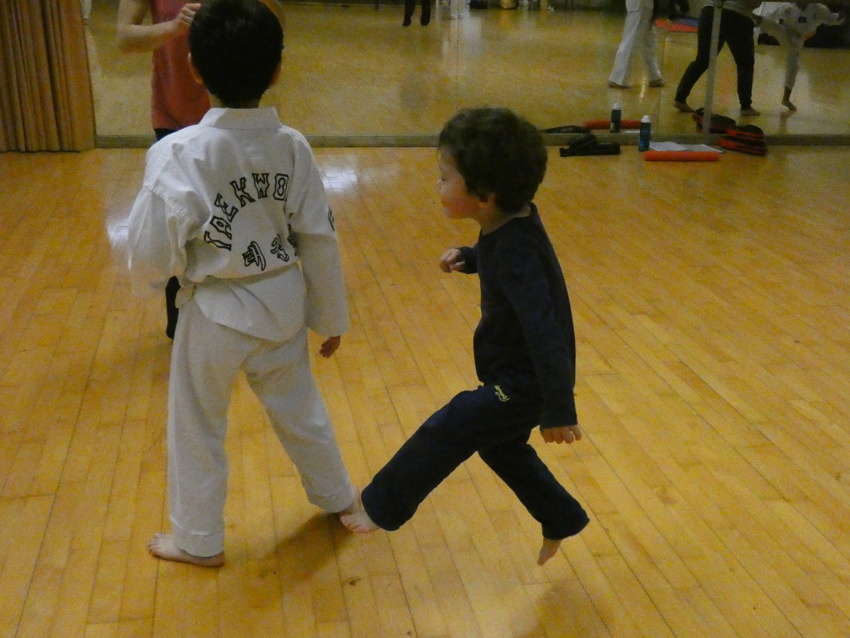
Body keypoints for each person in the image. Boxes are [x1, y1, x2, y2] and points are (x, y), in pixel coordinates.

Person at [125, 0, 358, 567]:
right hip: (282, 301)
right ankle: (338, 497)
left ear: (194, 69)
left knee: (196, 424)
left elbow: (150, 253)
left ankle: (198, 539)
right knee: (300, 408)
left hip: (214, 312)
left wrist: (168, 272)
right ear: (277, 70)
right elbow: (318, 236)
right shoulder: (292, 145)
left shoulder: (176, 153)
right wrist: (330, 317)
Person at [341, 107, 590, 566]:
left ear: (483, 197)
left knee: (455, 422)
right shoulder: (509, 225)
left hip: (523, 385)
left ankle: (381, 505)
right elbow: (502, 256)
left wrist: (559, 407)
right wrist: (471, 257)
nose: (437, 185)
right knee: (500, 447)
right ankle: (561, 516)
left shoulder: (517, 252)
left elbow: (546, 330)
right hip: (513, 376)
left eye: (444, 178)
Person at [117, 0, 285, 339]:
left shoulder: (291, 146)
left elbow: (276, 27)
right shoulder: (170, 151)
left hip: (233, 112)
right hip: (174, 116)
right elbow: (124, 37)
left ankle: (245, 314)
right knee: (180, 226)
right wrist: (174, 27)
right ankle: (182, 327)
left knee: (237, 213)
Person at [673, 0, 762, 116]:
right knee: (745, 64)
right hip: (736, 15)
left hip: (709, 10)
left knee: (702, 60)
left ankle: (680, 98)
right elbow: (752, 3)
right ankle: (746, 106)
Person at [755, 1, 846, 111]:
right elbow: (770, 16)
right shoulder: (787, 8)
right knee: (768, 22)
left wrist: (840, 18)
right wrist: (759, 22)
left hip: (797, 41)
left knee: (793, 66)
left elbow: (831, 19)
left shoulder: (819, 9)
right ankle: (747, 18)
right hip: (785, 32)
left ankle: (786, 99)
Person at [608, 0, 690, 89]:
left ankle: (654, 77)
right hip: (641, 4)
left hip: (645, 4)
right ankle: (618, 79)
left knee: (648, 42)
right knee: (632, 39)